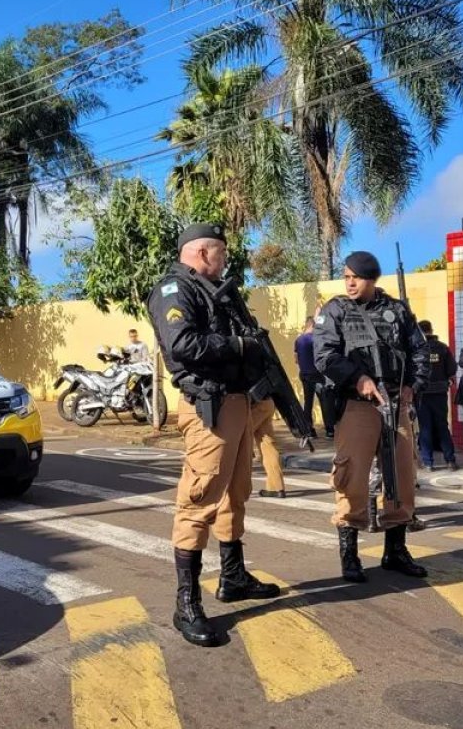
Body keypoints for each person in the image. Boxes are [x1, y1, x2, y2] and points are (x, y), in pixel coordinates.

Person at [147, 223, 281, 647]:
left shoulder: (216, 290)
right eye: (221, 252)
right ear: (202, 252)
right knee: (199, 499)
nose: (225, 259)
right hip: (210, 408)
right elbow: (184, 344)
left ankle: (233, 576)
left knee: (235, 492)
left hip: (238, 404)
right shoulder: (174, 291)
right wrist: (239, 346)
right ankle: (186, 602)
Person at [314, 251, 431, 583]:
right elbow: (325, 356)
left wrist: (413, 385)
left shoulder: (396, 310)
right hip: (357, 406)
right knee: (351, 476)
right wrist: (357, 378)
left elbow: (419, 350)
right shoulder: (336, 311)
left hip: (395, 404)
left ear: (372, 279)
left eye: (357, 277)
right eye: (346, 276)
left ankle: (395, 550)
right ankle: (349, 555)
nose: (350, 282)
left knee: (402, 476)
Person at [417, 319, 458, 472]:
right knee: (442, 426)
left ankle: (428, 462)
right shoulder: (443, 348)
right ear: (431, 329)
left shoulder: (417, 348)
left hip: (422, 393)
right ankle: (450, 460)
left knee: (425, 428)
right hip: (440, 393)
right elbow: (452, 370)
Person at [295, 317, 333, 438]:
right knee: (324, 401)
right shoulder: (315, 339)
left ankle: (309, 430)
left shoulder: (298, 340)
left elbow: (296, 359)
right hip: (316, 375)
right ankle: (329, 430)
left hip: (304, 374)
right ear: (312, 325)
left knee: (308, 402)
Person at [251, 397, 286, 498]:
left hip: (252, 403)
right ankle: (276, 486)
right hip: (267, 401)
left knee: (239, 439)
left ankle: (237, 489)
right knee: (268, 444)